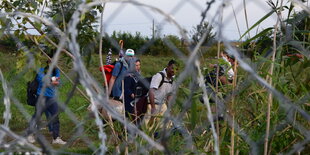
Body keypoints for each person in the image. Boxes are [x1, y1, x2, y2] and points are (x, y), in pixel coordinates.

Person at [27, 58, 66, 145]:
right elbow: (42, 79)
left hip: (52, 97)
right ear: (48, 61)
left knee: (55, 116)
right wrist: (52, 82)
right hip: (41, 95)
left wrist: (56, 82)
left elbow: (58, 81)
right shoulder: (42, 68)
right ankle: (30, 134)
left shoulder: (56, 70)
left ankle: (56, 138)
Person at [144, 60, 177, 127]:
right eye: (172, 68)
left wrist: (169, 109)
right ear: (167, 67)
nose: (173, 71)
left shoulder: (172, 80)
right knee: (148, 127)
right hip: (152, 104)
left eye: (176, 69)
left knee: (166, 127)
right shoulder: (159, 76)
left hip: (163, 105)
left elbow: (169, 95)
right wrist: (153, 108)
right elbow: (151, 91)